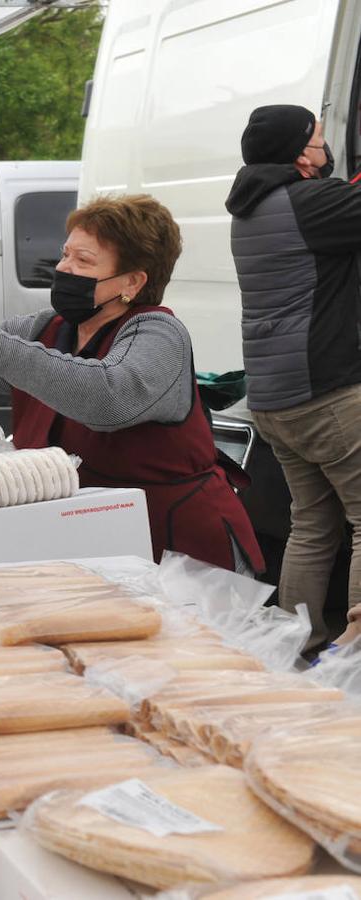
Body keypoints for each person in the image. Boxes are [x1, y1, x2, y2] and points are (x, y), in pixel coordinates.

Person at [0, 193, 265, 575]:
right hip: (94, 544)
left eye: (83, 261)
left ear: (132, 281)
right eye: (65, 254)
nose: (64, 267)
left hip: (178, 551)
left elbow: (108, 398)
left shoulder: (159, 334)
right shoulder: (47, 328)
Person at [226, 104, 361, 650]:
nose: (324, 150)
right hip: (328, 394)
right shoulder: (309, 202)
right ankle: (354, 657)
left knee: (312, 524)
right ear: (296, 152)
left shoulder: (252, 206)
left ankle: (298, 646)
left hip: (275, 400)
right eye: (318, 139)